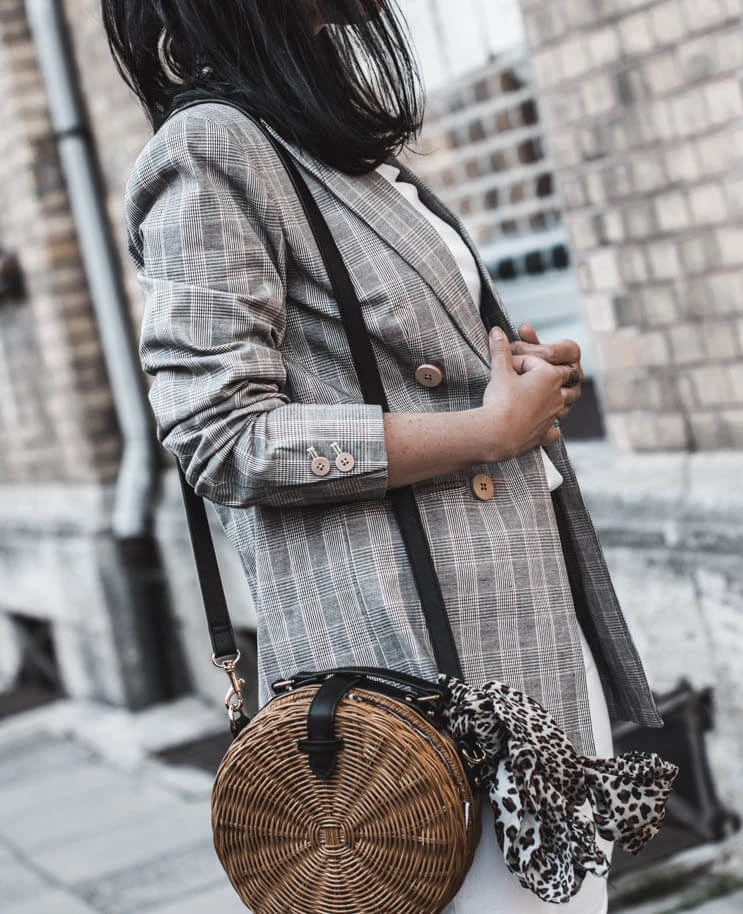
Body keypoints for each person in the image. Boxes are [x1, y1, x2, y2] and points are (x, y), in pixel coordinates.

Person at [105, 1, 662, 911]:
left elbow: (401, 370)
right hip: (413, 679)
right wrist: (486, 432)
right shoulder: (214, 150)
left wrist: (516, 388)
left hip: (516, 632)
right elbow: (219, 433)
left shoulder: (327, 141)